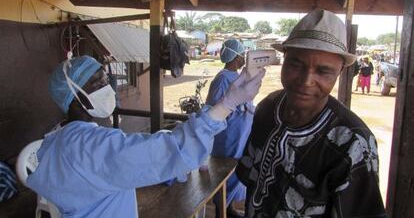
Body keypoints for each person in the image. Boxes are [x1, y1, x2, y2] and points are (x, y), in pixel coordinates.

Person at [26, 54, 265, 218]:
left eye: (105, 79)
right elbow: (170, 152)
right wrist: (227, 104)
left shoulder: (59, 137)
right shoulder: (89, 146)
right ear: (74, 95)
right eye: (96, 83)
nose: (107, 87)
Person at [236, 9, 385, 218]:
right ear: (284, 60)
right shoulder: (268, 107)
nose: (306, 82)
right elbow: (249, 176)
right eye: (296, 65)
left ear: (340, 72)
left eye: (323, 71)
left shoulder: (353, 143)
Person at [206, 39, 257, 218]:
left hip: (240, 133)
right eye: (241, 55)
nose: (243, 58)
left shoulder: (236, 76)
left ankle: (228, 208)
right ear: (234, 57)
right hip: (229, 135)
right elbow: (215, 107)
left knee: (238, 169)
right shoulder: (222, 78)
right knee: (226, 172)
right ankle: (221, 211)